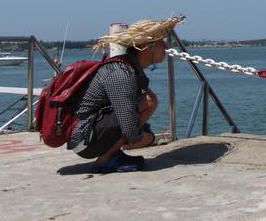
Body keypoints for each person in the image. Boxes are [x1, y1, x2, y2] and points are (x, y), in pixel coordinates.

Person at [66, 16, 182, 173]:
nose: (166, 47)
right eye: (161, 41)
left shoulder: (128, 68)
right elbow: (131, 132)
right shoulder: (122, 73)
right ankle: (105, 160)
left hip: (89, 133)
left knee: (146, 104)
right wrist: (148, 138)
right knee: (149, 101)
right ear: (147, 46)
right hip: (83, 140)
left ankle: (113, 154)